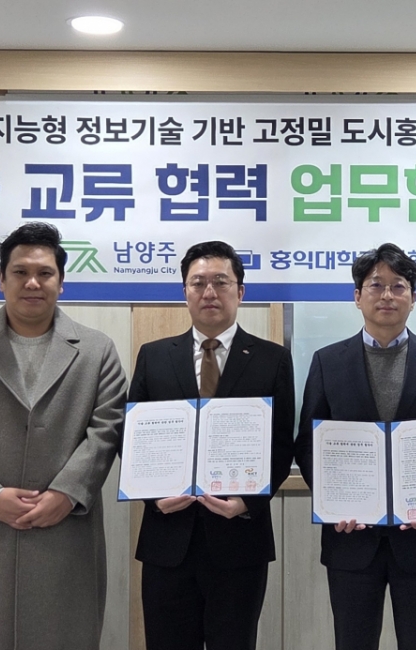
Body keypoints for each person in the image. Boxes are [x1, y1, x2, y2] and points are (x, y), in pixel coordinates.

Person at [0, 222, 126, 650]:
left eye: (45, 273)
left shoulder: (97, 350)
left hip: (67, 529)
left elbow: (107, 429)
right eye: (20, 272)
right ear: (1, 279)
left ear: (61, 282)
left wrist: (67, 492)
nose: (33, 282)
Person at [295, 243, 416, 650]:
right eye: (376, 285)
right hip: (350, 539)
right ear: (357, 296)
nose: (387, 295)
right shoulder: (328, 361)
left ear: (413, 297)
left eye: (398, 286)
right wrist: (332, 502)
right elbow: (308, 444)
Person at [128, 240, 295, 650]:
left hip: (240, 538)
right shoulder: (153, 356)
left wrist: (247, 502)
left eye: (221, 281)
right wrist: (153, 497)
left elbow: (281, 444)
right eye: (198, 282)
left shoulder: (272, 359)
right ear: (185, 291)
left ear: (240, 291)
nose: (209, 292)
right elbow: (132, 438)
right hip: (168, 537)